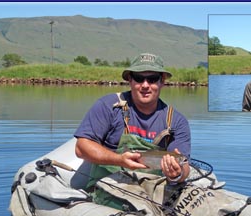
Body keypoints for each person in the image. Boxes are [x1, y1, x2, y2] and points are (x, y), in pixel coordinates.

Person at [74, 53, 191, 196]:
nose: (145, 85)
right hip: (107, 186)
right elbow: (81, 148)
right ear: (130, 80)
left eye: (152, 79)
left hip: (151, 190)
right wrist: (119, 160)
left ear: (162, 81)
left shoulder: (176, 121)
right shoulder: (108, 105)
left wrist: (177, 174)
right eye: (139, 78)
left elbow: (184, 165)